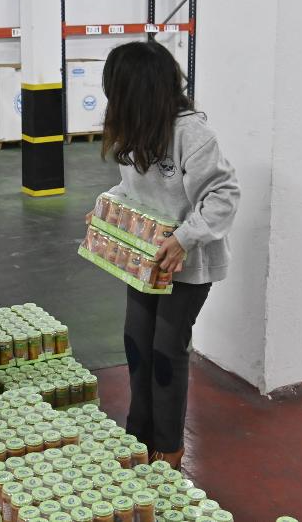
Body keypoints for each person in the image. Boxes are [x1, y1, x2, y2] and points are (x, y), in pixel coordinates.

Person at [92, 41, 240, 469]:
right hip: (143, 262)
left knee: (166, 351)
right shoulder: (136, 127)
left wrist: (185, 239)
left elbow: (223, 195)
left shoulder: (190, 133)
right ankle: (138, 436)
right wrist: (106, 208)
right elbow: (133, 189)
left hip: (187, 266)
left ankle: (169, 447)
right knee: (137, 343)